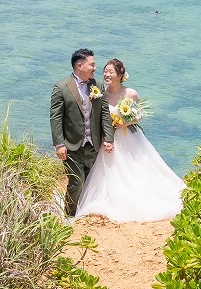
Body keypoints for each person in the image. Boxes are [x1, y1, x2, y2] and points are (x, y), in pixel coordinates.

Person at [74, 58, 185, 222]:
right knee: (109, 170)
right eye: (105, 71)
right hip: (110, 138)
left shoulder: (130, 93)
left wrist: (127, 121)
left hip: (130, 137)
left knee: (135, 167)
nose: (106, 74)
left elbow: (139, 115)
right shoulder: (100, 94)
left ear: (120, 75)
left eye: (111, 71)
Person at [50, 47, 115, 217]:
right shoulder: (61, 87)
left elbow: (105, 114)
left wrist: (109, 138)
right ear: (80, 65)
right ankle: (69, 215)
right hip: (72, 145)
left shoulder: (98, 85)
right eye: (92, 65)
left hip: (93, 143)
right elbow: (56, 117)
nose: (95, 68)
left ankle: (85, 212)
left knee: (91, 181)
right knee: (76, 182)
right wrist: (59, 144)